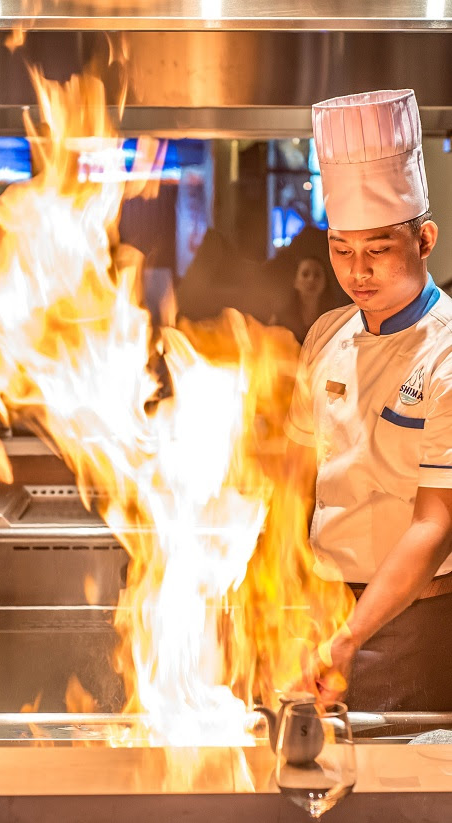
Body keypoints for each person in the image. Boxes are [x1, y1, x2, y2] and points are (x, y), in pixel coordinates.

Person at [284, 89, 452, 712]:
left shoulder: (446, 354)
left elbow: (436, 524)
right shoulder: (326, 334)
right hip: (320, 608)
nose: (357, 271)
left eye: (378, 249)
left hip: (410, 625)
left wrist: (351, 637)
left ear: (425, 239)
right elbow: (294, 477)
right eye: (341, 249)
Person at [273, 256, 338, 344]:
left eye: (317, 275)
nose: (311, 279)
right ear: (295, 281)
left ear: (325, 282)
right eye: (305, 274)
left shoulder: (335, 320)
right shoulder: (281, 320)